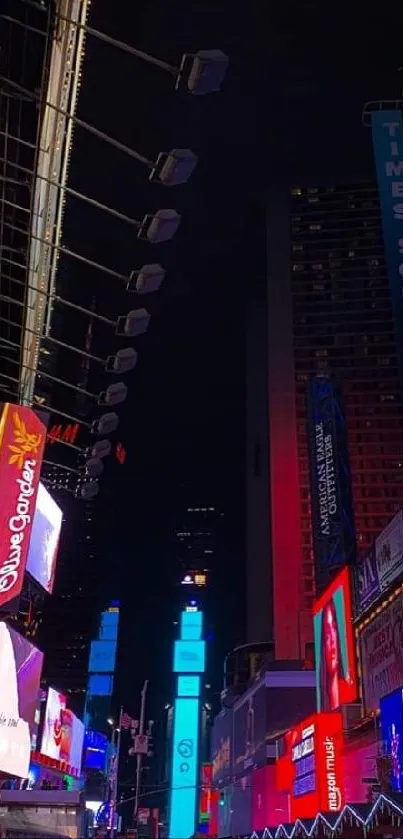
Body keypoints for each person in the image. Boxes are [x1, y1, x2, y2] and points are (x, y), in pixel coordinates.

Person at [319, 597, 349, 711]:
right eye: (327, 635)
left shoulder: (349, 686)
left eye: (333, 631)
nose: (331, 642)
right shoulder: (322, 703)